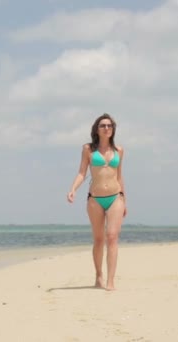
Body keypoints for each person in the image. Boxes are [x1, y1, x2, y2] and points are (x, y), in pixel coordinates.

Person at [66, 113, 127, 291]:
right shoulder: (88, 149)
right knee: (99, 239)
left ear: (113, 129)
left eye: (109, 125)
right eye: (103, 125)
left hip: (116, 197)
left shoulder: (119, 150)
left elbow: (120, 176)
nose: (106, 128)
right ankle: (99, 275)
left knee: (112, 237)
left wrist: (125, 200)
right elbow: (82, 173)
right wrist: (73, 189)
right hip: (95, 199)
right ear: (97, 129)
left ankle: (111, 281)